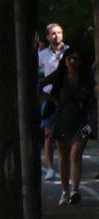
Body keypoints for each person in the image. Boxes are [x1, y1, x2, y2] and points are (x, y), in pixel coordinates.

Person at [47, 46, 94, 204]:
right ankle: (65, 191)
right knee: (63, 157)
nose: (73, 61)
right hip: (62, 121)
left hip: (83, 123)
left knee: (76, 154)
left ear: (81, 61)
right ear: (65, 61)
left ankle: (75, 190)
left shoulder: (87, 78)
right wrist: (55, 103)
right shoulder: (60, 76)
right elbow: (41, 85)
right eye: (70, 58)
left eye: (76, 58)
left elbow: (93, 97)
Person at [41, 24, 66, 181]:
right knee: (49, 135)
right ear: (48, 37)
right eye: (53, 33)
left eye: (59, 32)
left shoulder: (71, 52)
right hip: (49, 98)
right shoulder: (42, 55)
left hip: (68, 98)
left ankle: (68, 164)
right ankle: (50, 168)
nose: (57, 35)